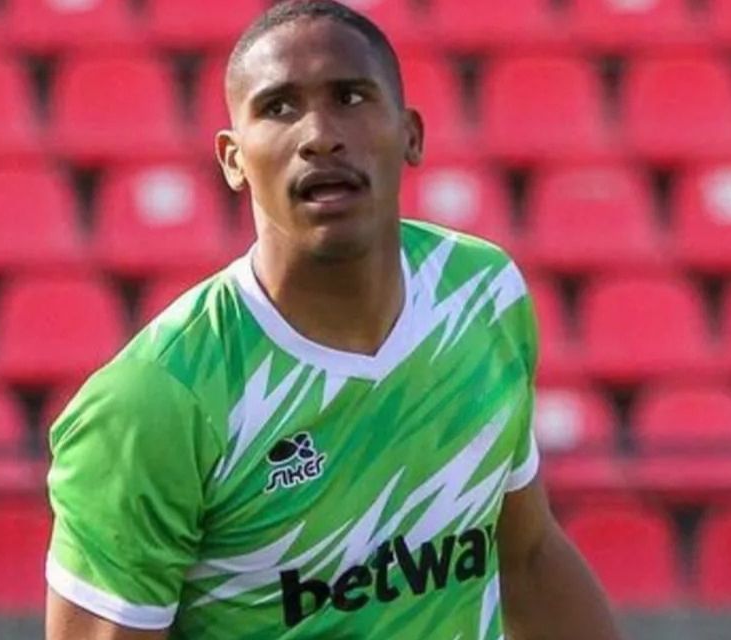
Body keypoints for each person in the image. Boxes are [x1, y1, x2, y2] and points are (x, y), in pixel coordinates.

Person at [45, 1, 621, 638]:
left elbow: (527, 559)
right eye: (278, 107)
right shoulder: (154, 401)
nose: (319, 134)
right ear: (234, 160)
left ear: (410, 134)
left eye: (349, 97)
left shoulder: (482, 296)